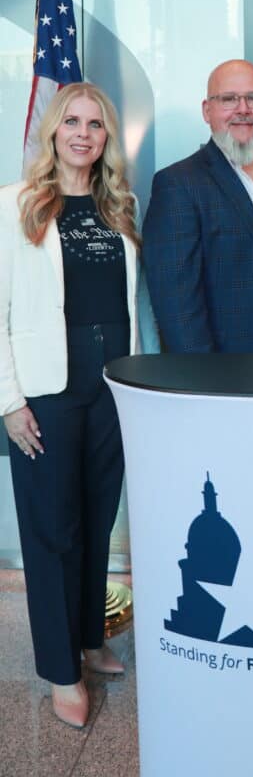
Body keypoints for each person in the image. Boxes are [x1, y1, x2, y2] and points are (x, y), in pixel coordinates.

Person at [0, 82, 158, 729]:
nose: (83, 134)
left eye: (95, 124)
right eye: (72, 122)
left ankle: (91, 638)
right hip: (46, 392)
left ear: (106, 137)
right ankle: (62, 669)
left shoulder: (121, 204)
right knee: (53, 531)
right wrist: (9, 402)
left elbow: (132, 302)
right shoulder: (15, 204)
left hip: (111, 385)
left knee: (97, 522)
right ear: (53, 132)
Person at [143, 59, 253, 352]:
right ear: (207, 110)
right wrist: (205, 377)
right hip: (224, 371)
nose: (242, 109)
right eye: (228, 99)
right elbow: (176, 306)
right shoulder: (178, 184)